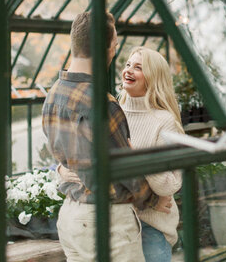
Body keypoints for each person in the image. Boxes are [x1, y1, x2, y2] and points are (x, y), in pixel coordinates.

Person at [42, 12, 171, 262]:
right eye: (113, 47)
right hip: (106, 221)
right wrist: (155, 200)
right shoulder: (102, 104)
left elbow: (58, 149)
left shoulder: (53, 95)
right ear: (105, 50)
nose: (113, 53)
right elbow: (126, 169)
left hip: (71, 217)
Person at [61, 46, 184, 262]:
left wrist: (139, 159)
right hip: (115, 224)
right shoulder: (113, 112)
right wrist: (62, 170)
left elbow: (172, 184)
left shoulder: (164, 121)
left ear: (153, 77)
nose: (128, 70)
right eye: (128, 64)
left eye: (138, 67)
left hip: (150, 228)